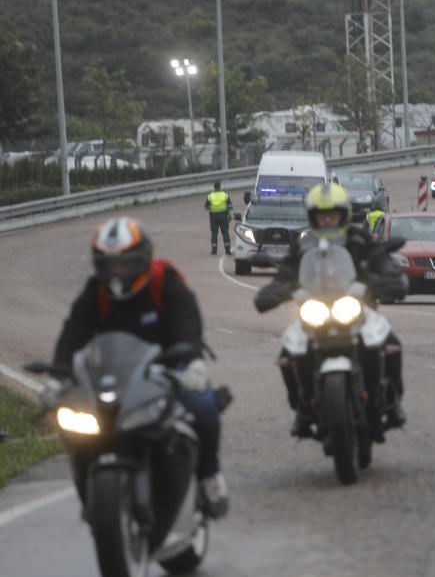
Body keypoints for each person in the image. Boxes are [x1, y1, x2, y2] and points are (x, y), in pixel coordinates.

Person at [52, 217, 228, 516]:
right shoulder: (96, 291)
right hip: (114, 376)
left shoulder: (164, 280)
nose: (117, 272)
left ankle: (210, 475)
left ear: (143, 258)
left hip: (168, 369)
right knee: (74, 423)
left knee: (203, 407)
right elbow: (73, 334)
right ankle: (89, 485)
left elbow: (188, 322)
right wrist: (57, 379)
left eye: (125, 263)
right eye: (109, 265)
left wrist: (194, 362)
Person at [255, 183, 408, 438]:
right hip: (314, 311)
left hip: (357, 308)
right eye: (322, 215)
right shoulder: (303, 246)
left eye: (333, 214)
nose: (328, 220)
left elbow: (382, 259)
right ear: (313, 217)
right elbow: (286, 274)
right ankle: (302, 409)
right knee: (287, 353)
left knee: (391, 345)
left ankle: (392, 404)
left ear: (344, 214)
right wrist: (275, 290)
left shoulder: (359, 239)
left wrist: (390, 278)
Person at [204, 181, 233, 255]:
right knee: (225, 233)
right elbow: (230, 206)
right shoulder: (225, 195)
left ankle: (214, 251)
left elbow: (206, 206)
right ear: (220, 187)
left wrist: (212, 209)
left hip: (213, 216)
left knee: (214, 234)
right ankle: (227, 251)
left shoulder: (210, 195)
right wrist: (230, 216)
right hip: (223, 216)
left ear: (214, 187)